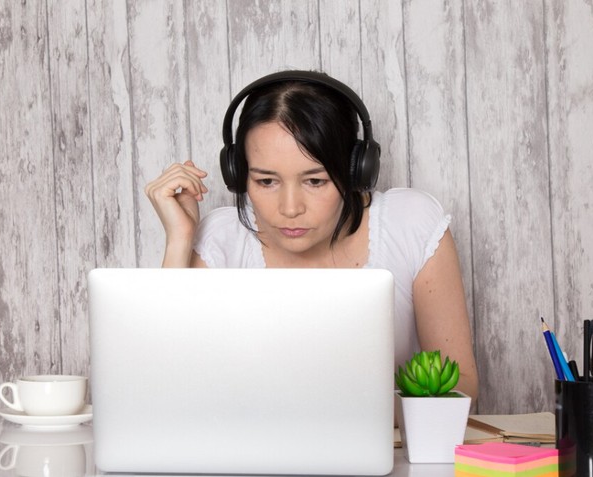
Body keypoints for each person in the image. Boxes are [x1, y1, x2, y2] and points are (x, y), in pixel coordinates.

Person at [145, 70, 479, 401]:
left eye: (315, 181)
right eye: (266, 181)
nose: (290, 209)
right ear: (238, 174)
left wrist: (343, 411)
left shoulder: (410, 225)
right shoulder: (220, 242)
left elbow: (463, 386)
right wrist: (179, 240)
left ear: (356, 170)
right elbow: (164, 392)